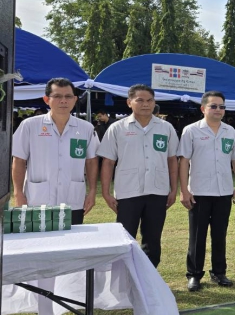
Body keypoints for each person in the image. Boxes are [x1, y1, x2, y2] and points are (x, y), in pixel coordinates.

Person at [98, 84, 179, 268]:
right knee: (125, 238)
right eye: (140, 100)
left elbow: (172, 160)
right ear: (129, 102)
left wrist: (174, 189)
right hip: (128, 191)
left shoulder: (166, 128)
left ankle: (149, 278)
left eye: (150, 100)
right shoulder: (117, 128)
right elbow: (108, 162)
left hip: (157, 190)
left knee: (153, 239)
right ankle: (125, 277)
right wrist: (106, 193)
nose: (145, 104)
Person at [178, 91, 235, 291]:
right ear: (203, 108)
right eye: (214, 106)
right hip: (198, 192)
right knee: (197, 236)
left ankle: (219, 272)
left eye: (222, 106)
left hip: (223, 191)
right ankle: (194, 274)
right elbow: (184, 161)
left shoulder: (230, 131)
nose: (218, 110)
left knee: (219, 235)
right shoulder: (191, 130)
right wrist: (184, 190)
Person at [11, 78, 99, 225]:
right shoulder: (30, 126)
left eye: (68, 96)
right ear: (46, 99)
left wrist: (92, 191)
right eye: (57, 96)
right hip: (38, 199)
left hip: (73, 200)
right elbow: (19, 160)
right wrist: (18, 193)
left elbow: (91, 161)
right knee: (39, 238)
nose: (63, 101)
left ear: (75, 99)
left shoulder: (86, 128)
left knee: (72, 238)